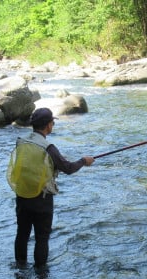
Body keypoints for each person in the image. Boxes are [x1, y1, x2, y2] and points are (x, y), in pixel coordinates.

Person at [14, 107, 94, 269]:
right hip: (41, 200)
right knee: (42, 238)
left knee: (22, 234)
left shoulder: (21, 141)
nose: (52, 125)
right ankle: (41, 274)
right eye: (52, 123)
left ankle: (20, 269)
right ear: (48, 125)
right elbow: (68, 168)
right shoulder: (48, 147)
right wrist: (84, 161)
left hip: (22, 195)